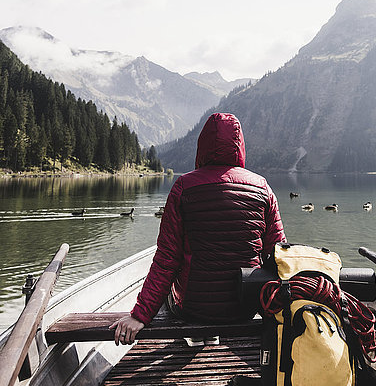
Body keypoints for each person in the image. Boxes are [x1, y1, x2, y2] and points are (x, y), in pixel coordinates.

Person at [110, 112, 286, 346]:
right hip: (245, 307)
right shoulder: (263, 187)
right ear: (240, 146)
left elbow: (167, 259)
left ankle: (193, 341)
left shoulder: (184, 186)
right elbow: (280, 255)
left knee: (167, 293)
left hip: (192, 309)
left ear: (202, 145)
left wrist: (140, 314)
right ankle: (213, 341)